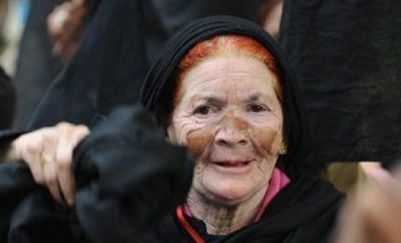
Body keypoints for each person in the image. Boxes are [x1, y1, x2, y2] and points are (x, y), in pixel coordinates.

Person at [1, 16, 343, 243]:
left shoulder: (337, 228)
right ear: (165, 128)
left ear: (285, 131)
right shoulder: (113, 219)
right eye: (205, 110)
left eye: (256, 108)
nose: (232, 134)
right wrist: (16, 153)